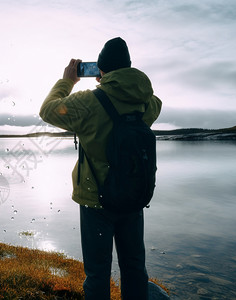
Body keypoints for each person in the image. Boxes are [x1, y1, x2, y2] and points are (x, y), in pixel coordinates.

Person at [39, 37, 162, 299]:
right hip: (133, 196)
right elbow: (156, 103)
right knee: (134, 269)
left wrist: (68, 82)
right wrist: (119, 83)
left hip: (96, 202)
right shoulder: (145, 102)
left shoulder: (89, 102)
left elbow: (48, 111)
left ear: (101, 70)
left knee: (97, 273)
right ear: (128, 68)